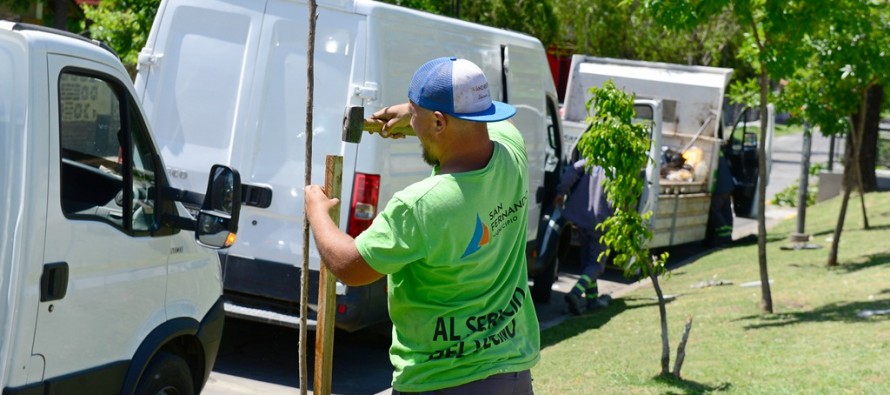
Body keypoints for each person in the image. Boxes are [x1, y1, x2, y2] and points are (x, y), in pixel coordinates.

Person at [305, 57, 539, 394]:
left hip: (442, 381)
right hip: (512, 375)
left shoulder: (422, 205)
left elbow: (349, 266)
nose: (412, 126)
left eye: (416, 116)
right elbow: (498, 123)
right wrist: (414, 113)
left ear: (440, 122)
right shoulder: (512, 153)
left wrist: (318, 211)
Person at [554, 146, 613, 315]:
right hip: (602, 221)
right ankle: (575, 293)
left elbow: (570, 172)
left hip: (581, 219)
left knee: (586, 261)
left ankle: (592, 300)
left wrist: (561, 193)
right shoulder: (616, 171)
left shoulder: (590, 162)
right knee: (596, 265)